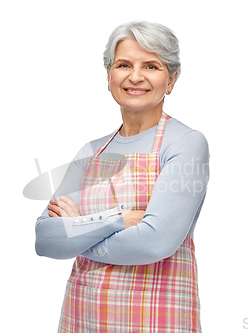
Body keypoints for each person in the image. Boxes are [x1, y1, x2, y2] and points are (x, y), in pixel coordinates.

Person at [35, 21, 209, 332]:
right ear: (109, 76)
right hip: (82, 316)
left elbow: (155, 242)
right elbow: (46, 240)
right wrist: (119, 219)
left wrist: (77, 233)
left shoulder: (185, 143)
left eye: (151, 65)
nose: (135, 76)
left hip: (154, 318)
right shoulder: (92, 152)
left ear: (171, 79)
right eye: (124, 64)